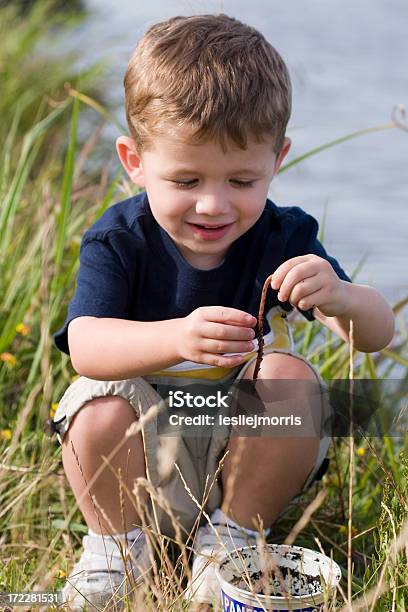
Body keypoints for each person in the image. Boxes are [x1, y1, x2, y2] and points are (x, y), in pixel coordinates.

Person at [51, 13, 395, 611]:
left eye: (242, 179)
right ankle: (116, 551)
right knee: (95, 402)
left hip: (243, 458)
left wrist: (342, 298)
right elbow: (86, 345)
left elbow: (377, 336)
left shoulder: (284, 235)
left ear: (278, 159)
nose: (213, 204)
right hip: (141, 459)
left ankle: (232, 542)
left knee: (292, 380)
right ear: (133, 160)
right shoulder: (120, 238)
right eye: (185, 179)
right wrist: (178, 338)